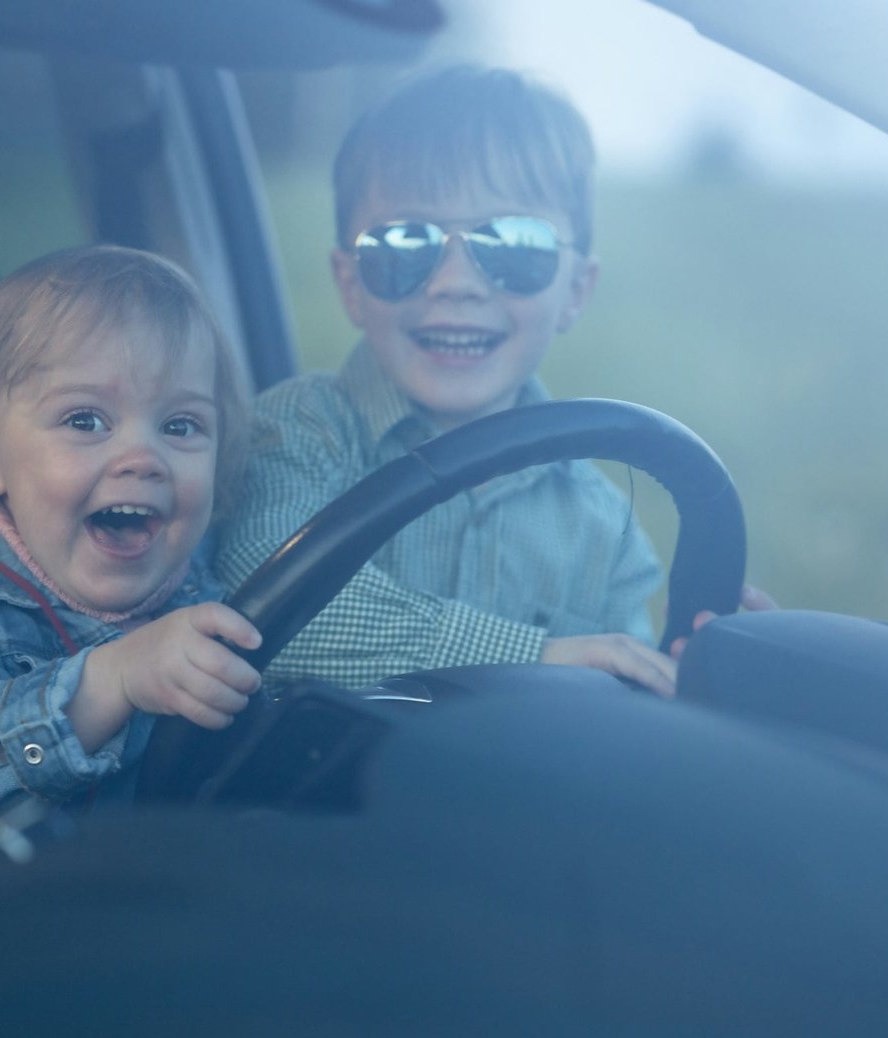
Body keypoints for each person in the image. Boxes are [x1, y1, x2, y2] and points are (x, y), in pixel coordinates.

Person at [216, 64, 764, 697]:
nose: (455, 282)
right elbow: (264, 610)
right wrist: (536, 655)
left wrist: (690, 674)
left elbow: (626, 683)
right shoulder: (295, 432)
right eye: (405, 244)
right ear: (351, 285)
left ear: (575, 291)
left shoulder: (602, 528)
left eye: (513, 245)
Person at [0, 245, 262, 904]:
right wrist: (111, 679)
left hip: (116, 936)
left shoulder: (213, 592)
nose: (143, 457)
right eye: (85, 420)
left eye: (181, 425)